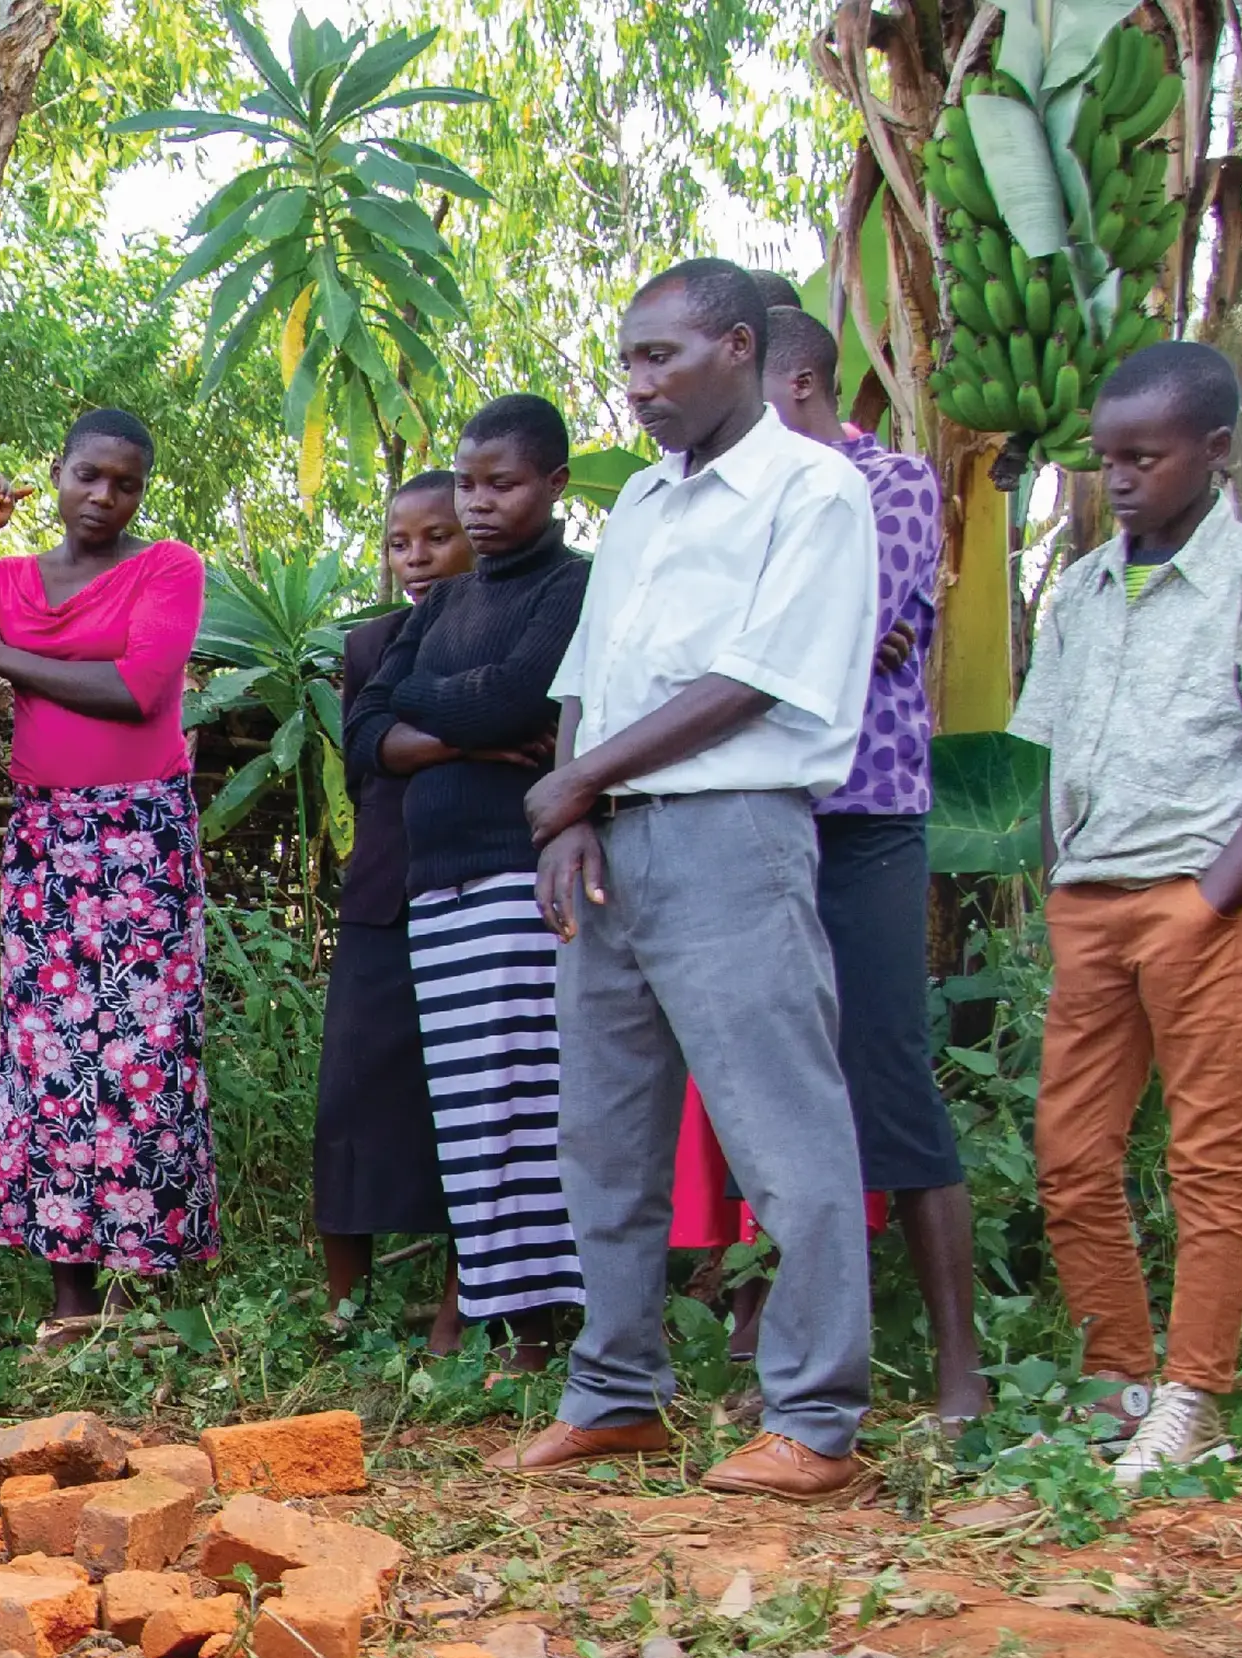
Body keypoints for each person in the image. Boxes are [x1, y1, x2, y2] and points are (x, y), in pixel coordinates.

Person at [492, 258, 882, 1501]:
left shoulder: (813, 491)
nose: (639, 386)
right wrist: (569, 818)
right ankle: (617, 1395)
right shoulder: (646, 510)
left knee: (783, 1128)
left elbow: (757, 678)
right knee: (603, 1137)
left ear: (738, 349)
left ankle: (815, 1418)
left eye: (661, 357)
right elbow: (586, 682)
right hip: (611, 846)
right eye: (628, 362)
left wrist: (573, 783)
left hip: (733, 834)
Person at [1010, 340, 1242, 1476]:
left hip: (1203, 903)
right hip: (1092, 904)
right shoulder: (1076, 588)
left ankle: (1195, 1394)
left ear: (1214, 453)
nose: (1115, 479)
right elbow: (1054, 753)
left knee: (1209, 1156)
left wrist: (1209, 901)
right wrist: (1066, 884)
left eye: (1144, 457)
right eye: (1104, 459)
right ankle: (1114, 1386)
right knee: (1070, 1153)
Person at [754, 307, 987, 1425]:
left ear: (794, 380)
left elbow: (837, 622)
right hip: (760, 816)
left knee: (886, 1067)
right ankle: (796, 1354)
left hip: (866, 811)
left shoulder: (887, 482)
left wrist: (859, 633)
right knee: (783, 1087)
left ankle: (961, 1367)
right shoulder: (740, 496)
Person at [0, 411, 216, 1340]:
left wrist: (7, 659)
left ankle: (145, 1287)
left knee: (144, 1053)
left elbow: (139, 689)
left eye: (125, 483)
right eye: (88, 476)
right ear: (54, 474)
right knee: (51, 1058)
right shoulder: (7, 579)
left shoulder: (167, 568)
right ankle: (70, 1303)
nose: (104, 497)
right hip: (47, 838)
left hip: (144, 834)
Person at [350, 398, 596, 1361]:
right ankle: (501, 1313)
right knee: (465, 1110)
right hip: (434, 883)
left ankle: (535, 1329)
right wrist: (468, 731)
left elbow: (520, 693)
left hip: (515, 873)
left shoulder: (573, 588)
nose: (481, 504)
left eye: (503, 484)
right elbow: (368, 726)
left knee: (523, 1101)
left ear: (555, 486)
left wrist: (443, 715)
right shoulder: (447, 603)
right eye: (468, 483)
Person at [316, 473, 471, 1343]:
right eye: (400, 543)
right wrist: (473, 738)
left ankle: (461, 1309)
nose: (416, 559)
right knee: (353, 1094)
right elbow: (368, 753)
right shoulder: (371, 643)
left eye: (437, 537)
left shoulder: (513, 629)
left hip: (482, 882)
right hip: (384, 888)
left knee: (470, 1100)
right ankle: (346, 1306)